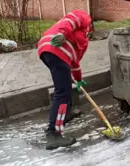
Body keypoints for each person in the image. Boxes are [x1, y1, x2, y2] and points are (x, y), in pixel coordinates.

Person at [37, 10, 93, 150]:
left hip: (51, 52)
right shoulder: (84, 18)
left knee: (65, 87)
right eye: (90, 29)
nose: (89, 32)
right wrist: (62, 34)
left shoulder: (83, 41)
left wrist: (79, 80)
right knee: (62, 92)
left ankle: (66, 114)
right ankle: (54, 134)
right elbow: (70, 20)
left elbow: (75, 63)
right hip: (55, 45)